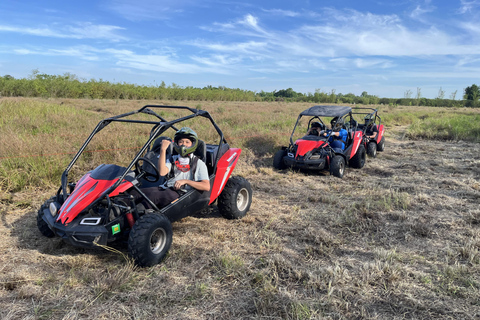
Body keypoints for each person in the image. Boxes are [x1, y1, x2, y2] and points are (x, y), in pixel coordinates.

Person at [134, 127, 210, 209]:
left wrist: (186, 181)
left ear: (192, 144)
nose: (183, 144)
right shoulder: (173, 159)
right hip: (165, 188)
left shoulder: (198, 163)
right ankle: (121, 209)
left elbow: (206, 186)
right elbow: (162, 172)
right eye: (181, 142)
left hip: (181, 194)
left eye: (187, 142)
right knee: (136, 193)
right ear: (177, 144)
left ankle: (135, 215)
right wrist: (163, 150)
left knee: (153, 197)